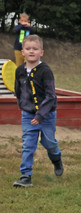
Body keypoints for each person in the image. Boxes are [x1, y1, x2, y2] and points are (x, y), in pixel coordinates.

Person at [12, 35, 63, 188]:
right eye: (28, 49)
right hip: (28, 114)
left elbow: (51, 96)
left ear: (42, 52)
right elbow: (18, 89)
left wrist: (41, 115)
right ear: (23, 52)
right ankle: (25, 175)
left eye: (35, 49)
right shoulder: (20, 70)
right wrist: (22, 105)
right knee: (28, 144)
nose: (31, 51)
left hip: (46, 115)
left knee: (49, 143)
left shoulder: (45, 71)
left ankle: (56, 159)